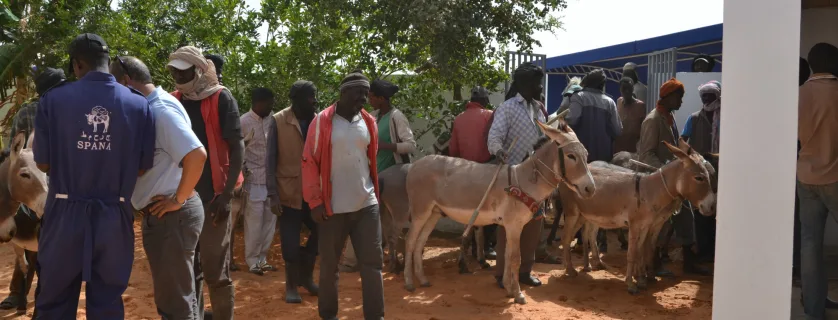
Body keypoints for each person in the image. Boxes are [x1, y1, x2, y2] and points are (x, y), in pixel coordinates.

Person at [33, 33, 155, 319]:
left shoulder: (53, 100)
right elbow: (141, 167)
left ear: (77, 65)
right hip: (115, 213)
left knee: (54, 300)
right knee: (108, 301)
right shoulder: (139, 105)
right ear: (108, 61)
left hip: (64, 213)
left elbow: (43, 164)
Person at [113, 56, 207, 320]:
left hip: (172, 216)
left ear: (125, 81)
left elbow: (196, 155)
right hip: (170, 215)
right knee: (183, 298)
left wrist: (178, 199)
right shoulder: (156, 105)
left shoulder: (160, 111)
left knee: (174, 304)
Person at [168, 45, 243, 320]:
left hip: (213, 197)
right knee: (190, 269)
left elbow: (237, 148)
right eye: (174, 70)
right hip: (183, 199)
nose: (177, 75)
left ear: (198, 70)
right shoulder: (174, 100)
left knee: (215, 270)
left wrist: (226, 195)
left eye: (182, 70)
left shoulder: (221, 98)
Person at [302, 71, 384, 320]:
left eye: (366, 93)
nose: (364, 97)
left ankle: (376, 316)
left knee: (372, 265)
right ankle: (328, 315)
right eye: (359, 92)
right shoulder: (322, 121)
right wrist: (315, 202)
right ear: (344, 92)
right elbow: (309, 163)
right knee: (329, 267)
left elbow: (371, 158)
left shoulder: (369, 122)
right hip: (332, 208)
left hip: (366, 204)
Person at [0, 67, 65, 311]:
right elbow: (13, 155)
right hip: (32, 189)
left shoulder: (69, 114)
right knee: (23, 243)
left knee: (48, 249)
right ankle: (18, 294)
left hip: (58, 188)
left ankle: (42, 301)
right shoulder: (28, 113)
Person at [637, 78, 711, 277]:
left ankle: (689, 261)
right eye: (679, 97)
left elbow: (677, 147)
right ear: (669, 97)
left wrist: (696, 157)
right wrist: (666, 172)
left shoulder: (669, 118)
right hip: (658, 184)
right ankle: (654, 263)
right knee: (660, 225)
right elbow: (646, 154)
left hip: (673, 184)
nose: (681, 102)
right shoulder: (653, 120)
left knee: (686, 217)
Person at [340, 78, 416, 272]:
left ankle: (360, 259)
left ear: (382, 98)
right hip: (372, 175)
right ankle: (362, 259)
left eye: (372, 96)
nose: (369, 99)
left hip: (393, 177)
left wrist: (384, 146)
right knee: (374, 218)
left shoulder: (396, 117)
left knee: (385, 219)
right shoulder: (372, 116)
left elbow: (410, 144)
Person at [487, 62, 547, 288]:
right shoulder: (508, 108)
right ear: (524, 84)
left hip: (537, 180)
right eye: (537, 83)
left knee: (534, 225)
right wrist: (499, 150)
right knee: (509, 227)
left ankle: (524, 271)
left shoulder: (540, 108)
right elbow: (494, 137)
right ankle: (503, 273)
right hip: (512, 179)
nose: (541, 88)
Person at [266, 80, 320, 303]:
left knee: (322, 233)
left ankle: (305, 277)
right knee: (289, 243)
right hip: (288, 192)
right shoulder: (278, 120)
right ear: (296, 99)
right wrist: (272, 194)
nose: (314, 101)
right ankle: (291, 285)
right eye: (310, 97)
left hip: (314, 192)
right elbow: (270, 160)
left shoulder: (319, 120)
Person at [797, 42, 838, 319]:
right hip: (835, 176)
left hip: (805, 176)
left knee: (810, 244)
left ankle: (814, 310)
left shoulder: (798, 94)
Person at [449, 86, 498, 259]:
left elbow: (453, 149)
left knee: (470, 210)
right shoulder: (489, 115)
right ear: (484, 101)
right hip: (486, 170)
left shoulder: (459, 118)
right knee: (490, 210)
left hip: (465, 170)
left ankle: (471, 248)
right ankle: (486, 248)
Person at [680, 80, 721, 263]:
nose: (706, 98)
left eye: (710, 95)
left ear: (718, 96)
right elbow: (682, 140)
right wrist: (692, 156)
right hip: (702, 174)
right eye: (703, 95)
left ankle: (717, 250)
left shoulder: (726, 117)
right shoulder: (694, 118)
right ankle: (704, 251)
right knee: (701, 212)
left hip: (722, 171)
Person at [240, 87, 278, 276]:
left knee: (269, 223)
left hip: (272, 181)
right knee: (254, 223)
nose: (271, 107)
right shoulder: (244, 122)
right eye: (269, 104)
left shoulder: (274, 120)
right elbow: (238, 151)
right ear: (258, 103)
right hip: (253, 180)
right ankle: (252, 261)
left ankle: (263, 259)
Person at [793, 57, 811, 281]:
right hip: (804, 169)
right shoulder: (807, 98)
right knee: (802, 227)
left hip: (785, 171)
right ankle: (798, 270)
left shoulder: (783, 99)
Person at [613, 76, 646, 153]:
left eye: (629, 88)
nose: (627, 91)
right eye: (624, 88)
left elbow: (644, 129)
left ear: (633, 89)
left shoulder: (640, 105)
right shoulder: (619, 101)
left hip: (633, 149)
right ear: (620, 89)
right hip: (618, 148)